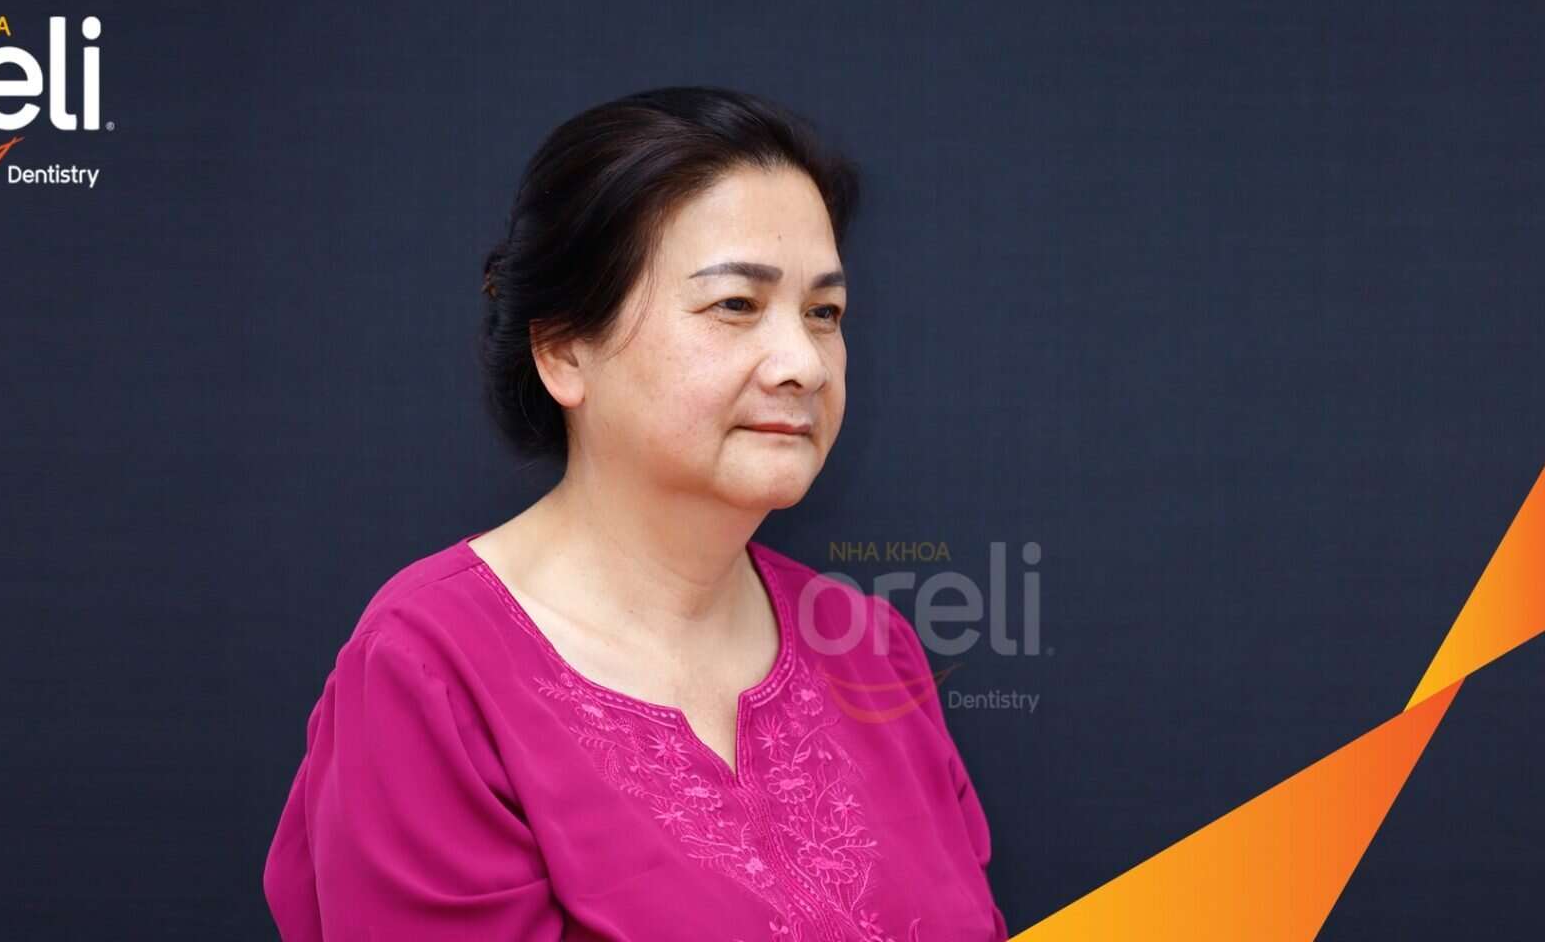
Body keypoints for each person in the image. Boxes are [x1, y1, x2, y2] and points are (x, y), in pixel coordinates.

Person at [262, 85, 1008, 941]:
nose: (803, 363)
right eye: (736, 305)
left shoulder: (871, 651)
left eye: (823, 313)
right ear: (563, 349)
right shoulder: (429, 672)